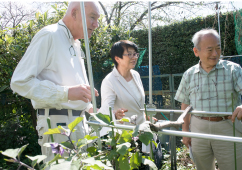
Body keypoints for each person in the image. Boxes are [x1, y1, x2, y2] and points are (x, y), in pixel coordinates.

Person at [10, 2, 100, 162]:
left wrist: (89, 105)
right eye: (92, 17)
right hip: (57, 129)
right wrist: (67, 93)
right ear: (74, 13)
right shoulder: (50, 35)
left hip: (78, 126)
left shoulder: (76, 43)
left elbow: (65, 80)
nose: (96, 24)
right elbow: (19, 82)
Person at [175, 28, 242, 170]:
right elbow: (185, 103)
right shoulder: (189, 74)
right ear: (196, 51)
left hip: (228, 126)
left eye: (218, 48)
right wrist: (185, 131)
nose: (215, 54)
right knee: (203, 167)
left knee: (233, 166)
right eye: (210, 49)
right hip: (198, 127)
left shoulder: (233, 70)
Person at [98, 40, 146, 125]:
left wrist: (145, 116)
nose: (134, 57)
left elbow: (138, 105)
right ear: (117, 59)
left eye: (135, 54)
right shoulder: (109, 81)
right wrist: (115, 114)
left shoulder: (136, 75)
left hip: (143, 130)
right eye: (129, 54)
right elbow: (106, 111)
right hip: (125, 133)